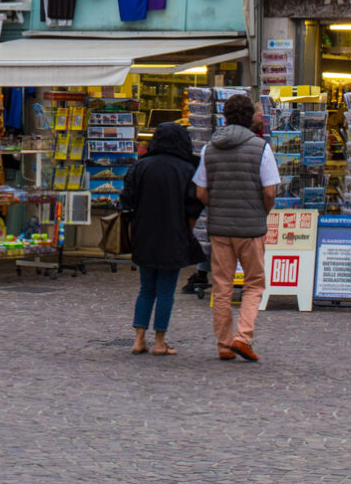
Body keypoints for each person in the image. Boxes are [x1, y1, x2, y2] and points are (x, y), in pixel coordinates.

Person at [194, 93, 279, 362]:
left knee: (221, 286)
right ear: (250, 117)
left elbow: (200, 192)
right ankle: (242, 337)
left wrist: (216, 209)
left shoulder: (210, 148)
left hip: (219, 228)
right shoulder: (261, 148)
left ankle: (223, 342)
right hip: (251, 228)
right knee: (254, 284)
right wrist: (260, 213)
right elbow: (269, 192)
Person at [119, 121, 204, 356]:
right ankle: (159, 341)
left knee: (146, 288)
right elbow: (193, 206)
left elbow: (126, 200)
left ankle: (138, 339)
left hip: (144, 233)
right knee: (166, 290)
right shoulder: (187, 169)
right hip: (174, 234)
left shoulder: (141, 166)